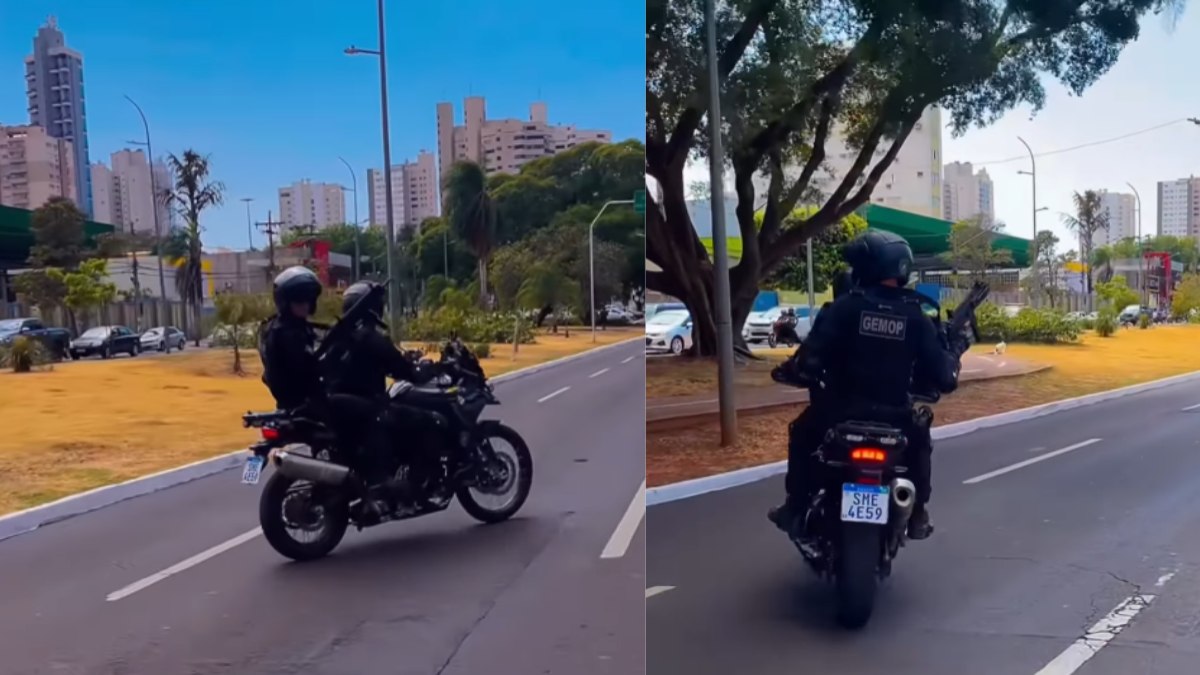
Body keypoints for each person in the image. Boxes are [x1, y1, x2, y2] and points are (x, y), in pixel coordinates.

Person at [768, 231, 961, 541]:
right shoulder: (917, 317)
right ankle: (918, 513)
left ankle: (795, 507)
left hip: (839, 412)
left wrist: (795, 371)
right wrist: (953, 354)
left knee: (802, 434)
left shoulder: (844, 309)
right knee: (920, 438)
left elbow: (810, 360)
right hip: (895, 416)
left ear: (865, 268)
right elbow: (944, 378)